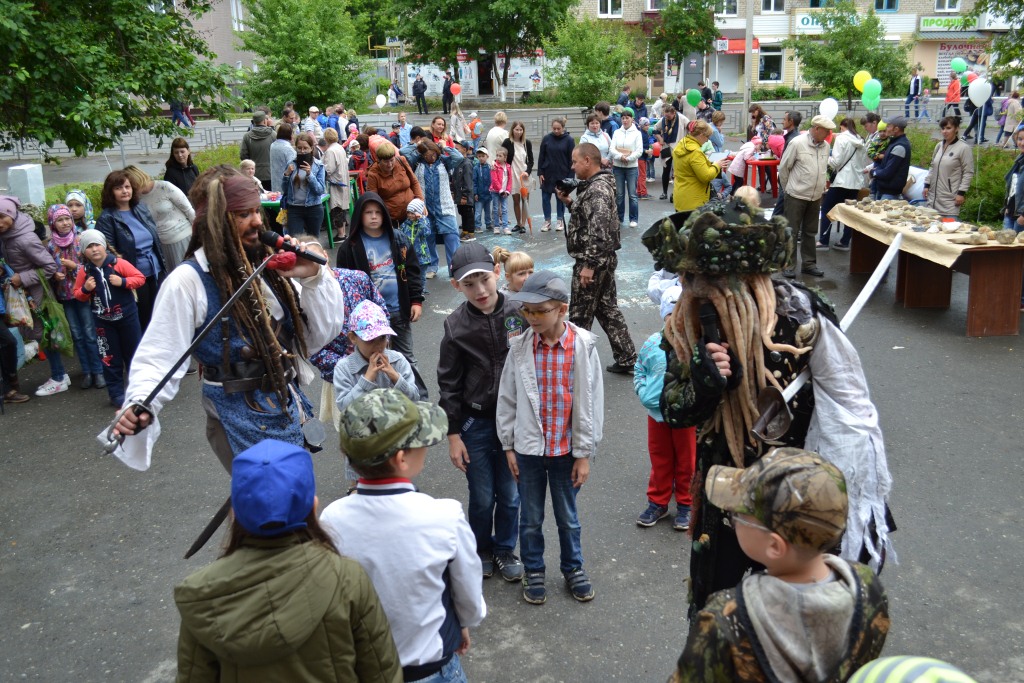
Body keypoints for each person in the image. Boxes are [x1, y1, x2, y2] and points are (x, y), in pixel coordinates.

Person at [642, 197, 895, 619]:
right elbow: (671, 410)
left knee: (794, 615)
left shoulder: (800, 318)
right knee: (721, 613)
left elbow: (850, 409)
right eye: (688, 277)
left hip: (796, 496)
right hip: (724, 498)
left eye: (703, 277)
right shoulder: (682, 329)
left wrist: (847, 503)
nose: (691, 288)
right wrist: (703, 386)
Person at [109, 170, 344, 473]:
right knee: (267, 510)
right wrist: (141, 401)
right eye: (243, 213)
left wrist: (313, 279)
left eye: (256, 210)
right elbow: (159, 354)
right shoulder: (187, 281)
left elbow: (315, 337)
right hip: (235, 415)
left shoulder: (269, 268)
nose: (258, 221)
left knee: (292, 504)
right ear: (216, 221)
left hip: (285, 404)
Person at [176, 439, 402, 682]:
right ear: (313, 507)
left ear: (234, 514)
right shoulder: (346, 577)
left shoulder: (201, 594)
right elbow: (382, 673)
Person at [672, 448, 890, 681]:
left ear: (775, 546)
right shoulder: (868, 588)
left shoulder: (725, 618)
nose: (732, 517)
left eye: (738, 515)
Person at [321, 389, 487, 683]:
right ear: (401, 459)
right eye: (419, 439)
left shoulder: (331, 519)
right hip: (430, 668)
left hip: (365, 668)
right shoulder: (444, 516)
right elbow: (469, 595)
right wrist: (463, 622)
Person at [497, 271, 603, 604]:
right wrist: (508, 446)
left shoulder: (583, 346)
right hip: (528, 450)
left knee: (568, 518)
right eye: (527, 310)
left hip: (566, 452)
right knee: (530, 518)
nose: (531, 317)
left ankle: (573, 568)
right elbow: (508, 398)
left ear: (562, 309)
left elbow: (592, 402)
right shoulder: (519, 348)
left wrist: (584, 453)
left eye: (540, 310)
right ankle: (534, 570)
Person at [437, 242, 527, 582]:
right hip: (475, 422)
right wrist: (453, 434)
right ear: (456, 286)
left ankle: (505, 548)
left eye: (484, 279)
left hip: (515, 422)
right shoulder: (456, 326)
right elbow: (448, 383)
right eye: (469, 283)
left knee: (511, 492)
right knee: (482, 495)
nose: (480, 290)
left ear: (497, 273)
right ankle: (481, 549)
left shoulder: (520, 311)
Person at [558, 142, 637, 374]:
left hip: (593, 261)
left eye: (575, 162)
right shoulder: (594, 187)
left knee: (580, 316)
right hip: (601, 259)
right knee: (606, 308)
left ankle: (574, 365)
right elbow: (588, 220)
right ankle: (627, 356)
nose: (572, 167)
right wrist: (570, 203)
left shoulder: (597, 189)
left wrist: (589, 266)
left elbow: (599, 229)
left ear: (587, 161)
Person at [336, 192, 423, 372]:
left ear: (384, 214)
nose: (374, 216)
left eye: (378, 212)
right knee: (371, 361)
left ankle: (414, 397)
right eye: (368, 212)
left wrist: (416, 301)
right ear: (360, 215)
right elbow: (343, 286)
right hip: (368, 319)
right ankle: (379, 397)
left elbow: (413, 271)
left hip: (398, 309)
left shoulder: (399, 239)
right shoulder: (349, 248)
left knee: (406, 360)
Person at [634, 283, 696, 530]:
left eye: (683, 315)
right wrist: (641, 390)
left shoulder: (695, 346)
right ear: (664, 316)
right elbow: (640, 368)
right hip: (656, 415)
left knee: (687, 462)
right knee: (660, 459)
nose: (677, 322)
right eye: (672, 315)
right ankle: (657, 502)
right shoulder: (651, 343)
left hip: (685, 417)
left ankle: (686, 504)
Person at [0, 196, 71, 396]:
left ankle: (59, 377)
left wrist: (22, 277)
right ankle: (59, 374)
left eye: (1, 217)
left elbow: (50, 266)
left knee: (45, 334)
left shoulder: (25, 239)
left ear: (11, 214)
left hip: (37, 294)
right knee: (40, 335)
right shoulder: (7, 236)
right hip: (24, 294)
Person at [72, 229, 145, 408]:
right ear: (83, 252)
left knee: (134, 354)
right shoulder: (84, 271)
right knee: (109, 358)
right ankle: (116, 394)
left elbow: (140, 278)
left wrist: (124, 282)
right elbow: (77, 295)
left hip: (127, 318)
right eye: (89, 247)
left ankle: (140, 391)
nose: (94, 249)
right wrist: (86, 290)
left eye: (97, 244)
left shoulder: (118, 264)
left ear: (104, 246)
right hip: (103, 322)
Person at [95, 170, 166, 331]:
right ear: (110, 192)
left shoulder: (140, 207)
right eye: (119, 188)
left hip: (156, 271)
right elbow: (109, 254)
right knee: (144, 319)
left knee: (160, 315)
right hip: (133, 276)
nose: (125, 191)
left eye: (127, 186)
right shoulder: (107, 218)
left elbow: (154, 239)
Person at [44, 205, 106, 390]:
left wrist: (74, 266)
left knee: (89, 333)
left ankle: (98, 371)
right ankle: (86, 371)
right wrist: (55, 275)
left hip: (83, 294)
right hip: (65, 296)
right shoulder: (50, 246)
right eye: (60, 220)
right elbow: (47, 268)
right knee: (77, 335)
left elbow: (92, 267)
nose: (65, 223)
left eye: (67, 219)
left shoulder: (80, 241)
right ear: (52, 224)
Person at [332, 300, 420, 412]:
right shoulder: (344, 368)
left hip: (398, 426)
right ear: (353, 338)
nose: (378, 345)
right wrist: (367, 380)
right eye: (370, 340)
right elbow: (345, 409)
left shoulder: (397, 360)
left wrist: (395, 377)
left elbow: (414, 398)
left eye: (383, 338)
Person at [779, 115, 834, 278]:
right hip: (796, 194)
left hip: (815, 196)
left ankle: (809, 264)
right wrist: (788, 189)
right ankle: (788, 265)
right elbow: (784, 169)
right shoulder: (797, 143)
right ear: (816, 129)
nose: (829, 134)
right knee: (792, 231)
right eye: (826, 131)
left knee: (810, 232)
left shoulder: (825, 146)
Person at [122, 165, 195, 272]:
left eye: (132, 185)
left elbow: (189, 210)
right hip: (161, 244)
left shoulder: (164, 187)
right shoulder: (136, 198)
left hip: (183, 239)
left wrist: (198, 236)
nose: (131, 189)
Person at [409, 139, 464, 277]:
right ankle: (432, 267)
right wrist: (417, 146)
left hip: (444, 206)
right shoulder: (417, 162)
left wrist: (446, 147)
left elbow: (460, 157)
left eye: (433, 154)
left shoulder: (445, 161)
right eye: (427, 155)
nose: (431, 157)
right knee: (428, 237)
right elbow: (403, 153)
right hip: (425, 208)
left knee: (452, 236)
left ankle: (455, 268)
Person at [819, 118, 869, 251]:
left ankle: (823, 241)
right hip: (855, 182)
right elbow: (863, 162)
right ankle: (845, 241)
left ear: (842, 127)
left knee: (827, 210)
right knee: (849, 212)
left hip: (841, 181)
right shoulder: (861, 140)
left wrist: (825, 158)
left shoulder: (841, 139)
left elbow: (836, 162)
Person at [924, 116, 975, 219]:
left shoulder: (963, 148)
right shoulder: (939, 146)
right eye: (943, 128)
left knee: (948, 230)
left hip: (950, 200)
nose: (944, 131)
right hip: (933, 198)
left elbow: (968, 172)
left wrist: (961, 192)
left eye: (948, 128)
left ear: (956, 129)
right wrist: (926, 184)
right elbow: (933, 166)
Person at [366, 141, 424, 226]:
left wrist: (420, 203)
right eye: (385, 162)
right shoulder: (373, 174)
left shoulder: (401, 161)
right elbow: (373, 200)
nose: (389, 164)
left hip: (412, 214)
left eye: (392, 160)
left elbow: (414, 182)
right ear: (378, 160)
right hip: (392, 220)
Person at [280, 132, 326, 238]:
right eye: (299, 148)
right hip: (294, 208)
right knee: (295, 241)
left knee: (313, 242)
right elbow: (284, 189)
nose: (302, 151)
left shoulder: (318, 165)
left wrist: (310, 175)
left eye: (305, 148)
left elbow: (320, 190)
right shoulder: (291, 164)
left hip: (313, 208)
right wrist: (286, 175)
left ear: (311, 148)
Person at [672, 120, 724, 212]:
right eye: (707, 137)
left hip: (681, 197)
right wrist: (717, 165)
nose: (708, 140)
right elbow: (706, 176)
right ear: (701, 135)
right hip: (694, 201)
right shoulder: (696, 152)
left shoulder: (681, 144)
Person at [537, 118, 575, 234]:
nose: (556, 131)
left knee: (560, 199)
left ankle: (560, 220)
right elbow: (541, 156)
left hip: (562, 174)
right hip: (548, 173)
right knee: (545, 198)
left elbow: (572, 159)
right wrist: (540, 173)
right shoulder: (547, 139)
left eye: (559, 129)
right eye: (554, 129)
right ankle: (547, 221)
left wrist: (570, 177)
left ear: (563, 128)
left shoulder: (569, 140)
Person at [609, 107, 643, 229]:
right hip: (618, 167)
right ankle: (619, 217)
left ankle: (633, 218)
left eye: (627, 118)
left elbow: (639, 150)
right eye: (623, 118)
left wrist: (628, 158)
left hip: (631, 167)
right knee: (619, 194)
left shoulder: (637, 133)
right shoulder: (617, 132)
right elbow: (612, 149)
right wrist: (620, 156)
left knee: (632, 195)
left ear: (632, 119)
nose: (624, 120)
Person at [870, 116, 912, 200]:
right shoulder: (894, 142)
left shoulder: (900, 146)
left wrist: (873, 172)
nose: (886, 128)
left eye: (889, 126)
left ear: (896, 129)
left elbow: (887, 173)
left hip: (890, 193)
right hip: (883, 189)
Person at [503, 121, 534, 234]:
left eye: (521, 130)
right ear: (512, 130)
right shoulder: (507, 142)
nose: (519, 132)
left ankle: (524, 223)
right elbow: (502, 155)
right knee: (516, 200)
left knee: (525, 200)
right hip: (513, 173)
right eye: (517, 129)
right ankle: (519, 223)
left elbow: (531, 160)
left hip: (524, 175)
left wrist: (528, 171)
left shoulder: (527, 143)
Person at [321, 127, 350, 239]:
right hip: (342, 180)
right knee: (341, 208)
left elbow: (328, 169)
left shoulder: (330, 151)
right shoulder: (339, 148)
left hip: (336, 183)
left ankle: (341, 234)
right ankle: (342, 233)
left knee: (336, 208)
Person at [653, 104, 684, 200]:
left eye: (668, 116)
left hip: (678, 147)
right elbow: (655, 129)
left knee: (677, 171)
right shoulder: (663, 120)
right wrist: (660, 138)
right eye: (665, 116)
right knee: (666, 170)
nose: (667, 117)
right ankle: (664, 192)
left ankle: (675, 193)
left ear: (674, 113)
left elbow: (690, 127)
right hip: (666, 147)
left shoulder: (682, 118)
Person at [239, 110, 274, 190]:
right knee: (270, 198)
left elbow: (243, 155)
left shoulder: (247, 136)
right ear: (265, 121)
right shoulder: (273, 134)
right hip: (271, 174)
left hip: (253, 174)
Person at [453, 138, 476, 241]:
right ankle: (465, 231)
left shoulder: (466, 164)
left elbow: (468, 182)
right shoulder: (458, 163)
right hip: (459, 193)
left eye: (458, 149)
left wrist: (464, 196)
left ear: (465, 150)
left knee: (468, 213)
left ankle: (470, 233)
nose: (456, 151)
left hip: (465, 196)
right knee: (462, 212)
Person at [1003, 129, 1024, 233]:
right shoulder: (1019, 160)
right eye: (1020, 139)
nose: (1022, 143)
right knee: (1003, 248)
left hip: (1021, 218)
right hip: (1010, 213)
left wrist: (1023, 217)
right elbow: (1012, 187)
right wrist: (1007, 207)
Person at [490, 147, 513, 235]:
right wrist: (500, 190)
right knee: (496, 209)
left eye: (500, 156)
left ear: (505, 157)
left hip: (504, 192)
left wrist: (507, 190)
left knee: (504, 209)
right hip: (496, 191)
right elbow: (494, 179)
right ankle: (496, 226)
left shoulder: (508, 167)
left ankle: (505, 226)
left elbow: (510, 179)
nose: (498, 158)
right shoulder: (494, 166)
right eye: (497, 155)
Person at [269, 123, 296, 194]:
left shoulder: (273, 145)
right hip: (286, 183)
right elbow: (293, 166)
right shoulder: (288, 149)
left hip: (275, 181)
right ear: (290, 134)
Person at [473, 147, 494, 233]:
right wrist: (475, 193)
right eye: (479, 156)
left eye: (483, 156)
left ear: (487, 156)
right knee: (478, 211)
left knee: (487, 210)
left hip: (488, 194)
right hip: (479, 194)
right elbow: (474, 181)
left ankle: (488, 224)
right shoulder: (476, 168)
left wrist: (492, 191)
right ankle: (477, 225)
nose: (481, 158)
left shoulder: (490, 167)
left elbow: (492, 180)